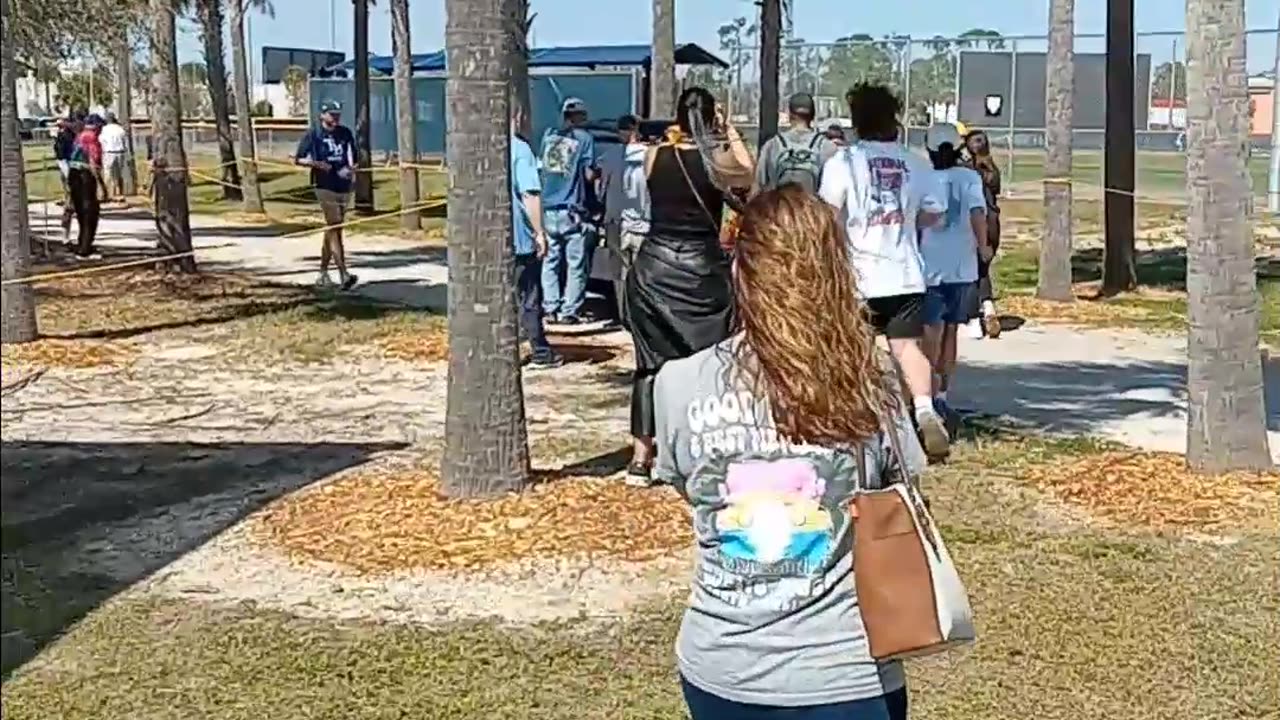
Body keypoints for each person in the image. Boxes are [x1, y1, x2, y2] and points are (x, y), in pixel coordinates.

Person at [653, 186, 925, 720]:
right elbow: (901, 491)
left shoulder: (677, 383)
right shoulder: (873, 384)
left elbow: (693, 487)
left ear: (740, 273)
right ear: (837, 273)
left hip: (722, 665)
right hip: (849, 672)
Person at [624, 86, 754, 486]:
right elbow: (748, 172)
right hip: (701, 273)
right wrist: (730, 132)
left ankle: (641, 459)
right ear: (714, 116)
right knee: (712, 364)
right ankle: (707, 447)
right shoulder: (717, 160)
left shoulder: (654, 155)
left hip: (653, 268)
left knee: (649, 366)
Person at [818, 82, 951, 460]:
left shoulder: (843, 162)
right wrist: (906, 220)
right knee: (907, 348)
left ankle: (858, 419)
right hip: (906, 273)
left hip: (857, 275)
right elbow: (936, 213)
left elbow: (827, 216)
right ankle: (924, 410)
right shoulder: (915, 162)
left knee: (854, 348)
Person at [920, 123, 991, 420]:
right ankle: (943, 392)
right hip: (962, 266)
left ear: (930, 149)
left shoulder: (923, 177)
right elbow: (977, 212)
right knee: (951, 330)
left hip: (929, 266)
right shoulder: (969, 177)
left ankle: (926, 393)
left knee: (929, 331)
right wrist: (983, 246)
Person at [511, 110, 565, 369]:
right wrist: (539, 232)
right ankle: (540, 351)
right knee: (529, 296)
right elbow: (529, 194)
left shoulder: (479, 148)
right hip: (519, 239)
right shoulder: (520, 150)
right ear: (516, 118)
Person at [538, 97, 598, 325]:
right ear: (579, 117)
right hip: (572, 210)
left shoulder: (548, 136)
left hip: (548, 209)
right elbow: (588, 175)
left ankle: (550, 308)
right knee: (576, 264)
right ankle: (568, 311)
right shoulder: (585, 139)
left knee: (550, 262)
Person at [295, 99, 359, 291]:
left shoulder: (345, 133)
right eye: (332, 114)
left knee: (333, 228)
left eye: (338, 114)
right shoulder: (313, 134)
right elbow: (298, 159)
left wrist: (350, 170)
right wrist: (316, 164)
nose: (335, 117)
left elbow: (353, 159)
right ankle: (343, 274)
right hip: (323, 185)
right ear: (322, 115)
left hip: (343, 184)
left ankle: (323, 273)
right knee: (336, 225)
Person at [962, 129, 1003, 339]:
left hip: (975, 222)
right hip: (993, 223)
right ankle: (988, 308)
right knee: (983, 269)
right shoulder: (992, 170)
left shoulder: (965, 170)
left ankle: (973, 320)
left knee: (971, 271)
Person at [754, 92, 838, 194]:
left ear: (790, 115)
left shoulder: (772, 146)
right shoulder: (828, 148)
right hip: (813, 208)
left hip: (780, 207)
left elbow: (759, 188)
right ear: (812, 115)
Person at [66, 114, 104, 258]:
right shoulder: (92, 138)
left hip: (73, 174)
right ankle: (85, 248)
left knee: (81, 211)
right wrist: (101, 185)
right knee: (90, 212)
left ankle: (82, 243)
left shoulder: (79, 136)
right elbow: (93, 162)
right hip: (85, 175)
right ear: (96, 127)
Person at [53, 116, 77, 240]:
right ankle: (65, 237)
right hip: (63, 160)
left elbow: (63, 149)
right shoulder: (61, 135)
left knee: (68, 180)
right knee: (66, 180)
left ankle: (68, 194)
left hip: (67, 160)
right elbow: (58, 149)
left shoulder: (68, 135)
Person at [99, 112, 129, 202]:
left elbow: (101, 140)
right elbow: (125, 141)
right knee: (118, 174)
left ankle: (105, 194)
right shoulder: (120, 129)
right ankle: (120, 193)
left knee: (107, 174)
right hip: (120, 152)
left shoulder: (104, 129)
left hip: (108, 152)